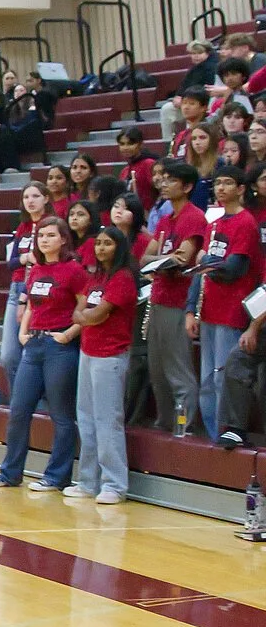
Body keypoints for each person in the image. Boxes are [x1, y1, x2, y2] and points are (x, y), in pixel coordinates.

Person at [0, 217, 81, 492]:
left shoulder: (74, 271)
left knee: (61, 415)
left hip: (59, 347)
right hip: (33, 345)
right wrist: (22, 333)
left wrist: (68, 334)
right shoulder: (36, 270)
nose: (45, 240)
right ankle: (10, 473)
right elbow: (29, 306)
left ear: (64, 239)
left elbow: (84, 309)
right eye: (41, 236)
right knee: (18, 409)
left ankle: (57, 476)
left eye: (51, 235)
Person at [66, 226, 138, 504]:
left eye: (107, 243)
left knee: (108, 421)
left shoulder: (123, 278)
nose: (101, 248)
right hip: (88, 352)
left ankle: (115, 484)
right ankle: (87, 481)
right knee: (85, 417)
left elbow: (95, 314)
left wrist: (87, 316)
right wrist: (87, 316)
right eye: (98, 243)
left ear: (119, 247)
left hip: (111, 356)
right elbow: (79, 312)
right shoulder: (95, 277)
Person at [191, 166, 263, 441]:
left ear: (241, 189)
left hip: (233, 311)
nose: (221, 188)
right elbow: (205, 272)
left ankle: (225, 432)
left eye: (228, 183)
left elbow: (232, 269)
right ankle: (212, 434)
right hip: (209, 310)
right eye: (218, 183)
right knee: (207, 379)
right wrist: (190, 310)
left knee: (223, 376)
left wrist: (204, 262)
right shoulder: (214, 224)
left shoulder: (245, 223)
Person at [144, 162, 208, 435]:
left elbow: (183, 259)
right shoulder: (164, 219)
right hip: (158, 298)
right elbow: (144, 258)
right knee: (157, 371)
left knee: (178, 371)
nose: (163, 183)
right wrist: (162, 261)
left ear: (187, 186)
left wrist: (160, 261)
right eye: (163, 179)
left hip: (178, 301)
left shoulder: (193, 217)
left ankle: (185, 427)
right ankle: (165, 425)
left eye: (171, 180)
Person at [1, 182, 53, 392]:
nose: (30, 201)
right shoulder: (22, 228)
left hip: (38, 289)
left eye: (35, 196)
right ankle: (19, 401)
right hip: (16, 287)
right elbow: (11, 262)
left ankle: (35, 402)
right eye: (26, 197)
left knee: (29, 353)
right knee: (8, 356)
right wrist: (26, 257)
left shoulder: (51, 226)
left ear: (46, 198)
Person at [117, 126, 157, 210]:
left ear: (140, 144)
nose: (125, 148)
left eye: (130, 143)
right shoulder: (124, 171)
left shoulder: (149, 164)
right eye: (122, 144)